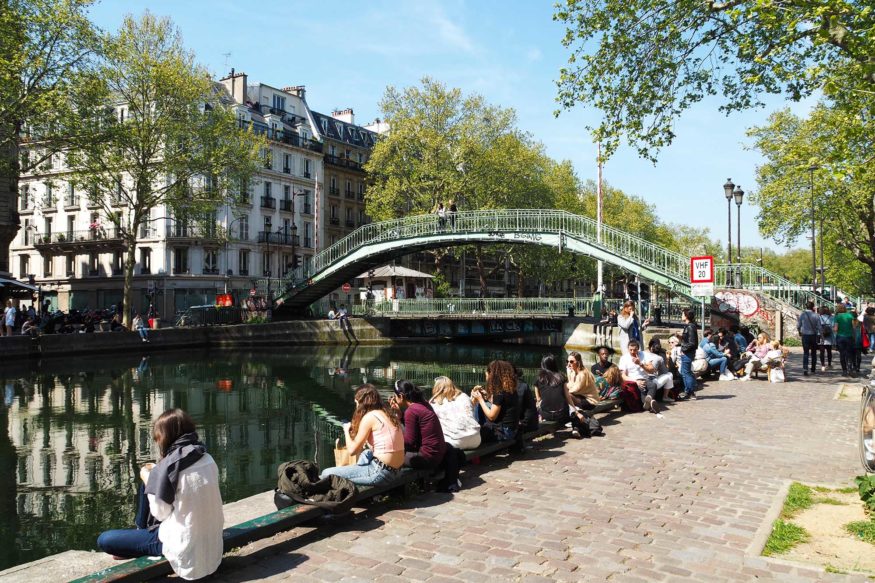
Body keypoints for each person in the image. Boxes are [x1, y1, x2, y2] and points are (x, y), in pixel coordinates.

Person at [96, 409, 223, 580]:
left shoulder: (168, 467)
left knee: (104, 540)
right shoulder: (206, 457)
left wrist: (150, 481)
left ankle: (138, 541)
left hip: (183, 547)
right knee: (150, 480)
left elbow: (160, 513)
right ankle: (139, 536)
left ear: (165, 438)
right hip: (212, 551)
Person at [321, 384, 404, 485]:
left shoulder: (369, 417)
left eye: (356, 403)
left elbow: (352, 451)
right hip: (397, 471)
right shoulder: (387, 413)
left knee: (326, 473)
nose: (356, 407)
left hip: (381, 473)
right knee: (366, 453)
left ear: (362, 403)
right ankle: (357, 471)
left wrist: (346, 430)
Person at [391, 380, 447, 470]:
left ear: (401, 396)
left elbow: (410, 442)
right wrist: (400, 416)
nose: (394, 398)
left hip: (427, 458)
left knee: (390, 457)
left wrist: (391, 444)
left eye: (395, 395)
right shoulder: (424, 404)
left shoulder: (411, 411)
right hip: (438, 453)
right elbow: (415, 431)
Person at [534, 354, 588, 438]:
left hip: (546, 414)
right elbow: (567, 397)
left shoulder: (539, 379)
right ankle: (575, 429)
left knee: (540, 406)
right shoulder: (561, 377)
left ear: (543, 365)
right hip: (561, 415)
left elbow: (538, 399)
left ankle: (544, 422)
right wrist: (576, 412)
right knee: (576, 410)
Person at [471, 360, 520, 443]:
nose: (486, 378)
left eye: (486, 375)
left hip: (504, 433)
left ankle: (475, 426)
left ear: (492, 375)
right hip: (512, 430)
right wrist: (486, 396)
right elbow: (501, 404)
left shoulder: (499, 392)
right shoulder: (509, 389)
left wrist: (480, 399)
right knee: (483, 404)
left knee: (473, 433)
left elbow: (492, 417)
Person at [430, 376, 481, 450]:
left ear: (436, 388)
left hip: (454, 442)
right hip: (476, 439)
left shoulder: (434, 402)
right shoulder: (464, 396)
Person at [618, 340, 660, 413]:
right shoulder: (624, 358)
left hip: (645, 379)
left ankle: (649, 401)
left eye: (635, 350)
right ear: (628, 349)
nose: (632, 352)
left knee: (653, 385)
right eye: (630, 350)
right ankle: (650, 405)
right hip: (633, 380)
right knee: (642, 390)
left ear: (638, 349)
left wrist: (640, 364)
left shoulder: (644, 355)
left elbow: (651, 370)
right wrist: (636, 381)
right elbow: (623, 375)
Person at [677, 308, 699, 400]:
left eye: (682, 314)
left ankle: (690, 392)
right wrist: (680, 337)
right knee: (684, 371)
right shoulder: (688, 326)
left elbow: (692, 343)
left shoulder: (690, 326)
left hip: (687, 353)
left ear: (686, 316)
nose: (681, 316)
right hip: (687, 352)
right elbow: (688, 340)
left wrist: (683, 349)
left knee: (686, 372)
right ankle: (688, 391)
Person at [796, 300, 821, 376]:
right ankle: (813, 369)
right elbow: (819, 327)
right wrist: (821, 336)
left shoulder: (802, 315)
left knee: (806, 353)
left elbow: (798, 325)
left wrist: (799, 331)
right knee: (814, 353)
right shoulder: (816, 315)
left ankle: (805, 368)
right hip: (813, 335)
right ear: (812, 307)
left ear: (805, 306)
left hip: (805, 335)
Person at [834, 303, 857, 377]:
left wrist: (834, 330)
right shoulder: (850, 315)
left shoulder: (837, 317)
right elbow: (854, 327)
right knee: (849, 353)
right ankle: (850, 368)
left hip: (840, 337)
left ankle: (844, 371)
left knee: (842, 354)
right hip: (849, 337)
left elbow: (836, 329)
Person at [818, 305, 835, 371]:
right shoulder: (831, 317)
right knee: (829, 351)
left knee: (822, 352)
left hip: (821, 335)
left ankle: (823, 365)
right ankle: (829, 364)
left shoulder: (819, 317)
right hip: (829, 335)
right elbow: (833, 326)